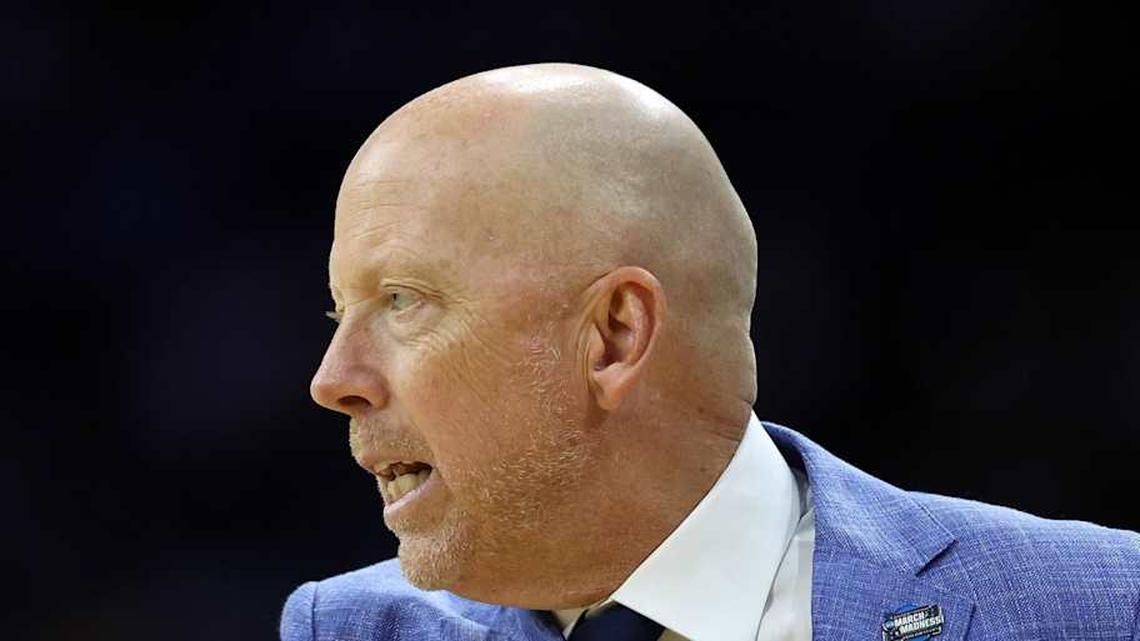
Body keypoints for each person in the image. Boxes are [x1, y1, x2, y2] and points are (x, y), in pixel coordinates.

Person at [281, 63, 1140, 641]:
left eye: (400, 302)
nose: (333, 380)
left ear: (615, 334)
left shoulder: (1100, 603)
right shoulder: (345, 626)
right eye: (338, 312)